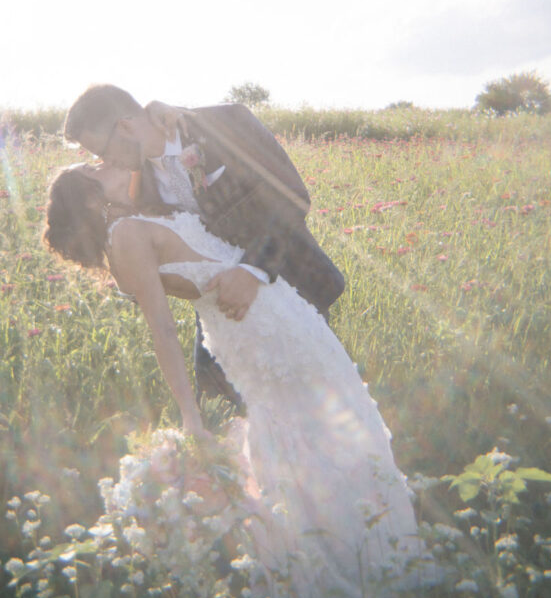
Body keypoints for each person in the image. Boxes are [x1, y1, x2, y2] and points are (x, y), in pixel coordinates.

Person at [42, 162, 424, 598]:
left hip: (280, 311)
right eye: (96, 169)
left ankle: (384, 570)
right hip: (256, 334)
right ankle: (343, 597)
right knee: (309, 443)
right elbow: (161, 329)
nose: (109, 164)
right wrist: (190, 414)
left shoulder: (143, 216)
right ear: (92, 200)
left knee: (342, 423)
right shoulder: (127, 236)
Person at [63, 84, 346, 403]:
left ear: (125, 127)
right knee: (220, 411)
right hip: (223, 314)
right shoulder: (137, 187)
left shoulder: (226, 123)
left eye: (101, 150)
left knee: (314, 402)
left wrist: (251, 271)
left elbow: (290, 198)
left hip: (289, 286)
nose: (103, 160)